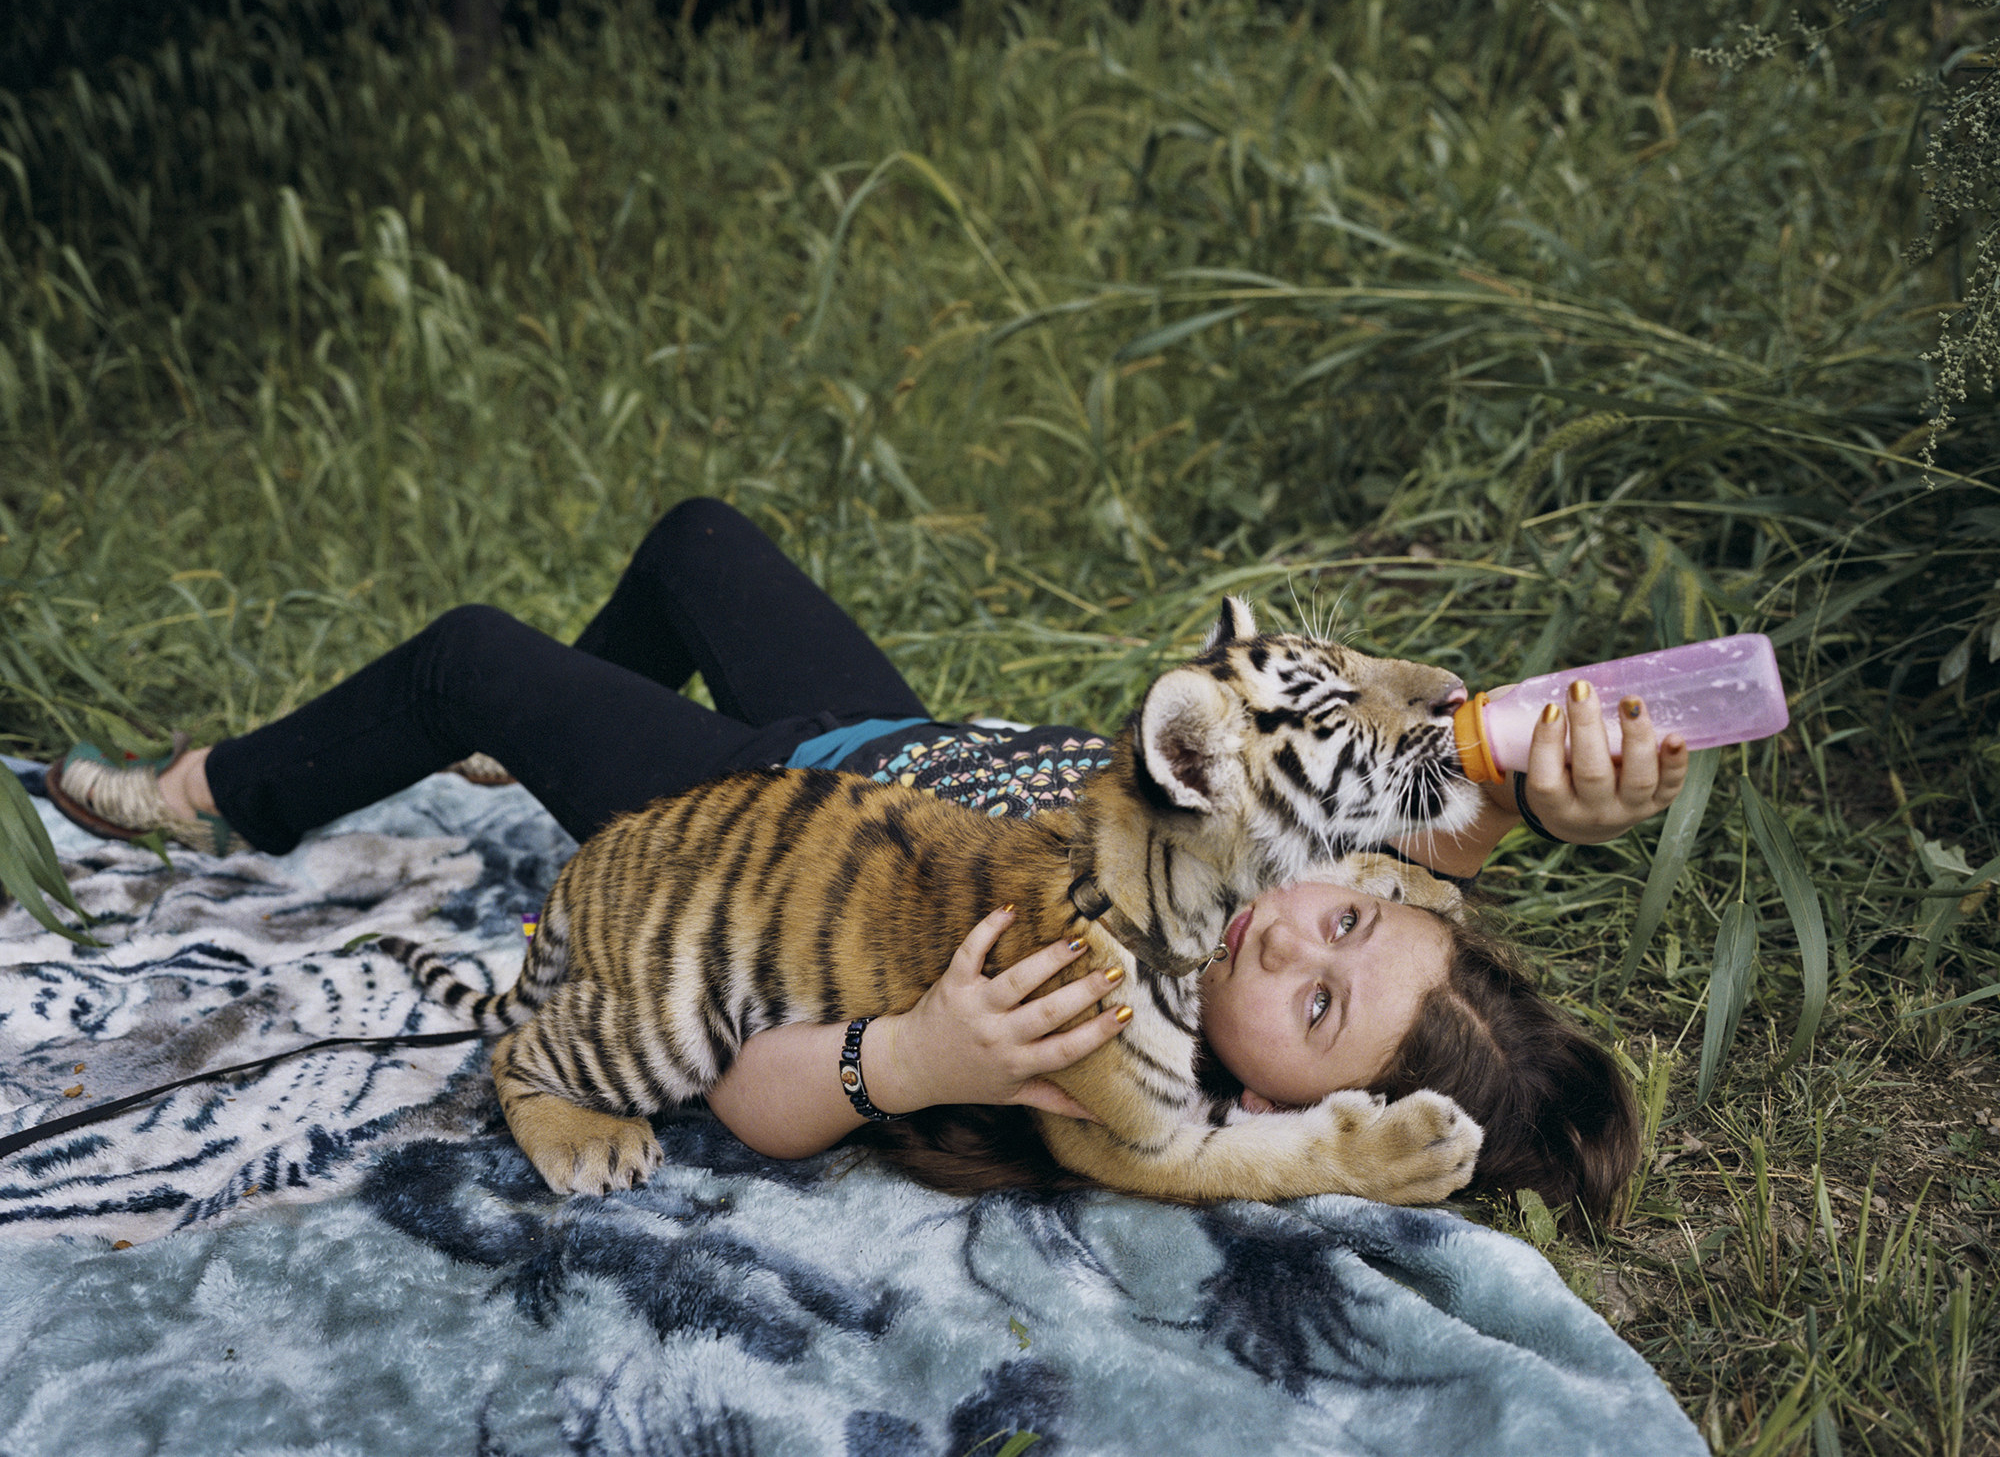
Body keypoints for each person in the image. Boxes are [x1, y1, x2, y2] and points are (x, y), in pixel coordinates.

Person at [47, 498, 1686, 1219]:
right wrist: (1544, 790)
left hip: (751, 811)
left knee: (476, 655)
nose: (1289, 942)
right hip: (893, 738)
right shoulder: (1304, 883)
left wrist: (915, 1052)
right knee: (696, 538)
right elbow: (1442, 803)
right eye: (1346, 918)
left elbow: (763, 1090)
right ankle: (562, 712)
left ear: (1272, 1102)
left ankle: (224, 794)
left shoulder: (1090, 1051)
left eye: (1318, 1006)